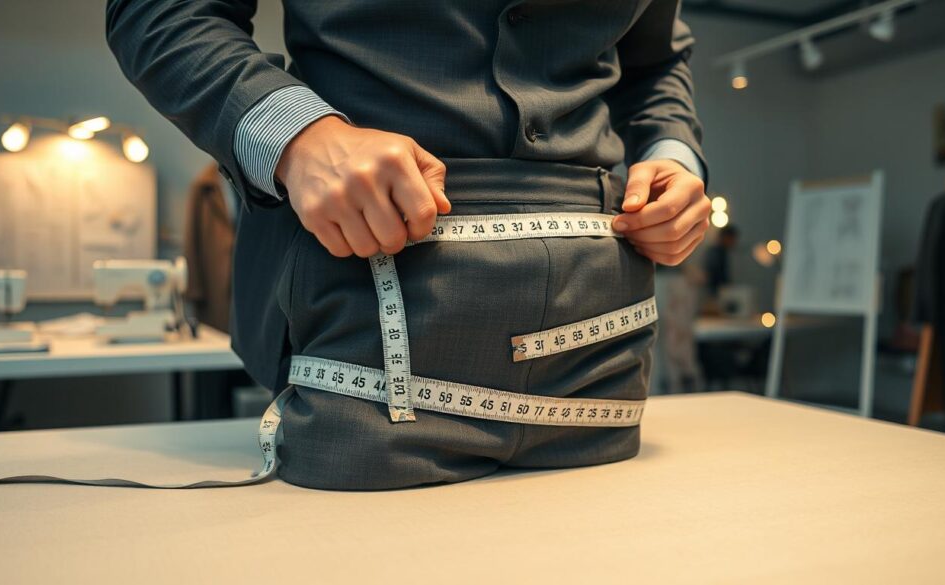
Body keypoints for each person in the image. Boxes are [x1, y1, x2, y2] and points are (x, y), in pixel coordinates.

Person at [106, 0, 711, 490]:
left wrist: (671, 154)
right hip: (363, 271)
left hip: (602, 336)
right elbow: (161, 9)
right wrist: (298, 135)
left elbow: (655, 62)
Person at [704, 225, 739, 298]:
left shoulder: (725, 252)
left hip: (720, 290)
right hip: (715, 291)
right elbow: (712, 273)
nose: (733, 242)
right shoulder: (716, 252)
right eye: (731, 239)